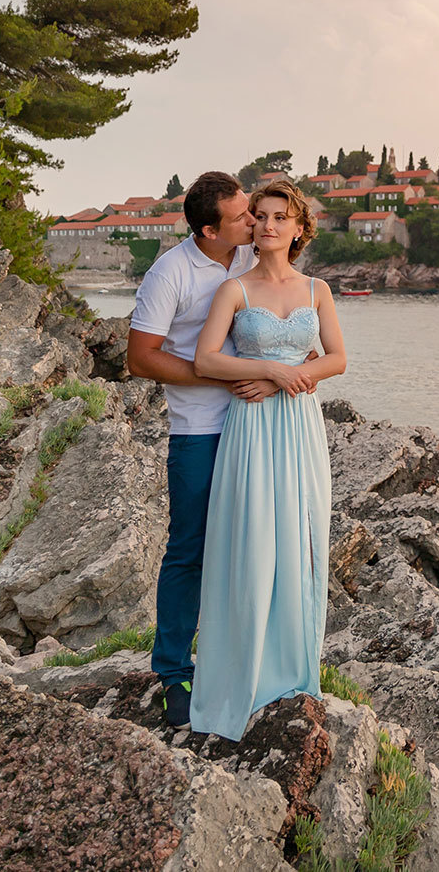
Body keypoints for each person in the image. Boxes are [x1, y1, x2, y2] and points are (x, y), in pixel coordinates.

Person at [187, 179, 347, 740]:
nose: (269, 225)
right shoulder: (235, 290)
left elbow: (338, 360)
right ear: (250, 224)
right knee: (251, 540)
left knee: (299, 539)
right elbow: (206, 361)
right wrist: (271, 371)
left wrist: (280, 381)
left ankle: (294, 668)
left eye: (281, 217)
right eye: (260, 216)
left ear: (299, 228)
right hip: (251, 430)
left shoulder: (317, 290)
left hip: (298, 424)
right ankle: (242, 672)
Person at [126, 171, 275, 727]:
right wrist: (218, 379)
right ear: (209, 230)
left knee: (253, 543)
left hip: (260, 423)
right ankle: (172, 670)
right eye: (242, 217)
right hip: (200, 429)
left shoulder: (249, 256)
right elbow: (140, 358)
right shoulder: (170, 273)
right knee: (189, 549)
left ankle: (242, 659)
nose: (253, 222)